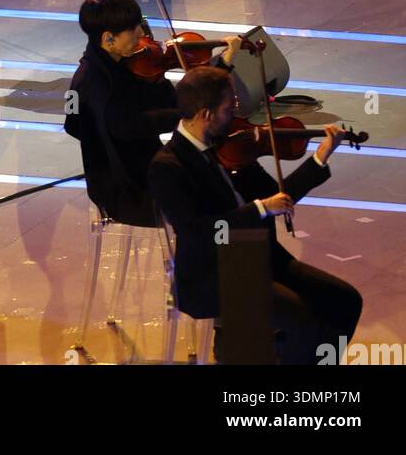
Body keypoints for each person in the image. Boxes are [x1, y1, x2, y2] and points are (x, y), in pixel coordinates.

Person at [148, 64, 362, 362]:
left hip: (258, 257)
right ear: (206, 114)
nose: (235, 115)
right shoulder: (168, 167)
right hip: (213, 276)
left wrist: (320, 156)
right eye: (228, 107)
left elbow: (279, 196)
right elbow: (199, 230)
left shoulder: (231, 149)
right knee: (302, 321)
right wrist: (260, 208)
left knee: (345, 301)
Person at [65, 0, 240, 225]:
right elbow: (128, 125)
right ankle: (202, 258)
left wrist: (221, 66)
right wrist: (185, 115)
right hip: (129, 191)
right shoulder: (90, 83)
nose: (142, 34)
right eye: (133, 29)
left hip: (152, 168)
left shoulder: (129, 65)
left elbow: (71, 123)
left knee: (229, 182)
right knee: (218, 202)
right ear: (108, 39)